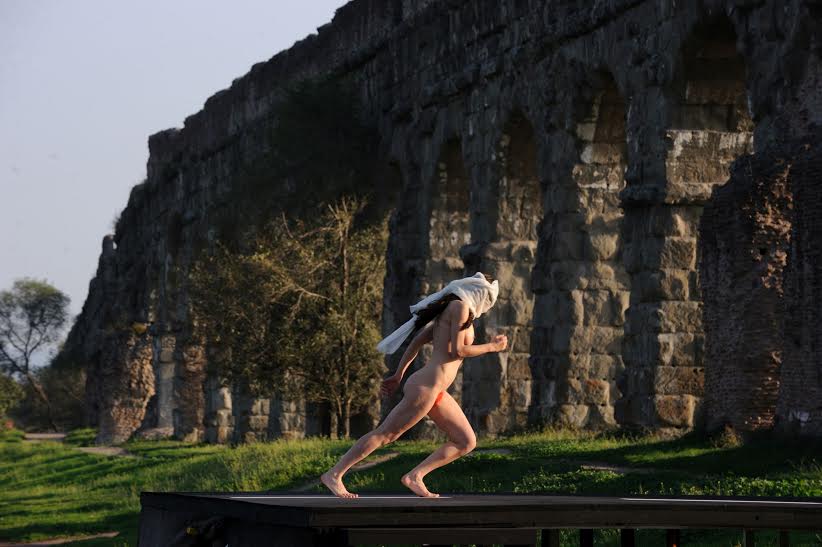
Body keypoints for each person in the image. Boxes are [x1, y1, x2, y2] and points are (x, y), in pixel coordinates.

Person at [320, 272, 507, 498]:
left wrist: (399, 375)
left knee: (466, 441)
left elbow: (418, 341)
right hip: (426, 387)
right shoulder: (459, 308)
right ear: (477, 292)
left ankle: (415, 476)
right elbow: (458, 351)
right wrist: (491, 348)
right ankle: (335, 474)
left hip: (435, 390)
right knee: (386, 435)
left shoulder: (451, 312)